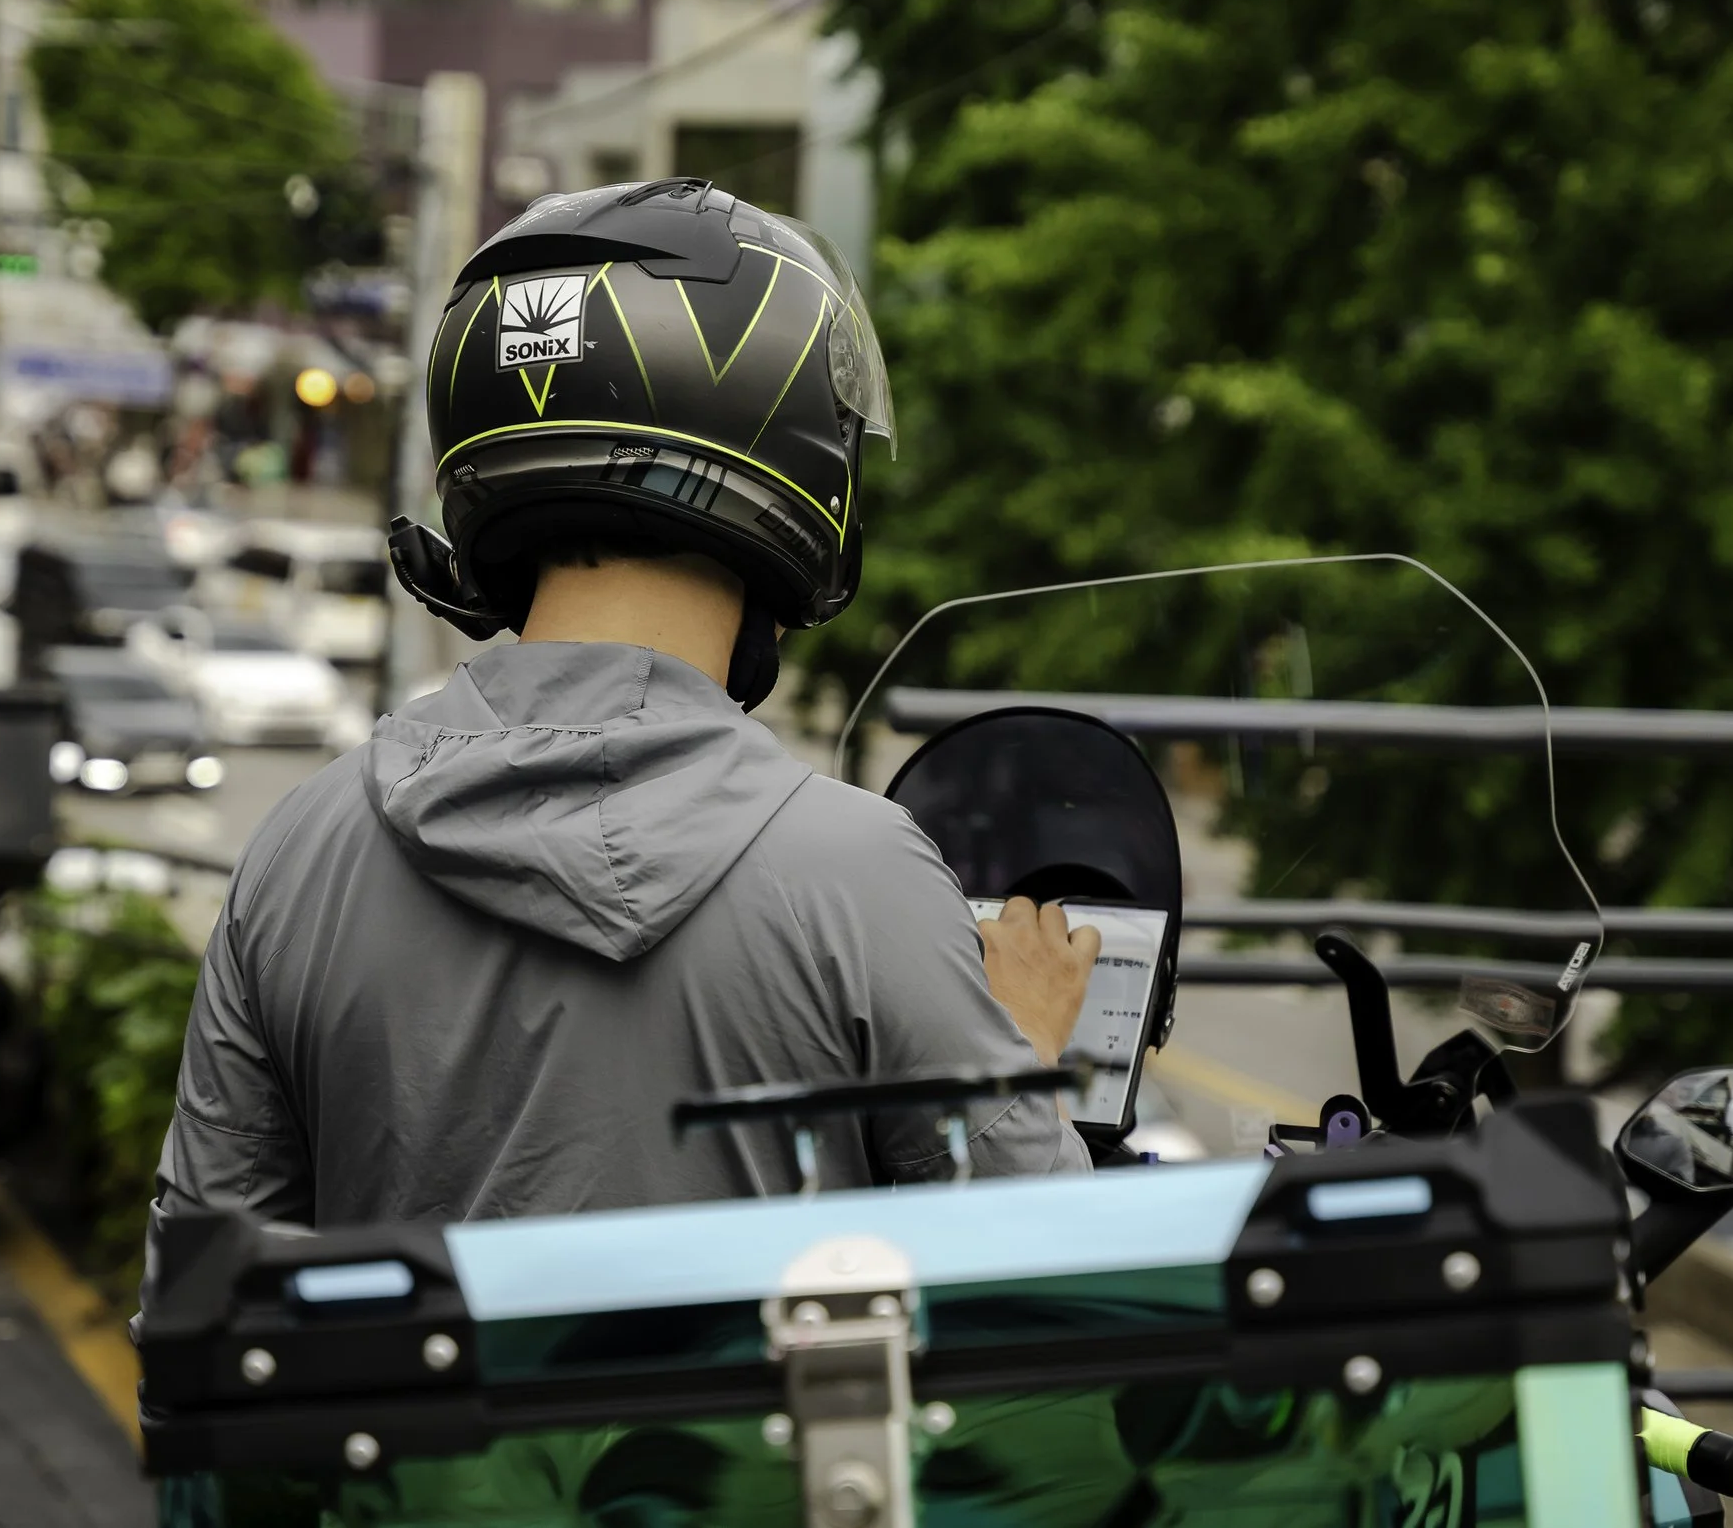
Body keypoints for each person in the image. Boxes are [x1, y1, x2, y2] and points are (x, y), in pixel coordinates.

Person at [144, 181, 1096, 1281]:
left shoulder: (300, 849)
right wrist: (1014, 1065)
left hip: (401, 1460)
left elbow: (199, 1307)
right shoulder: (857, 875)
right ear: (794, 467)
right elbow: (1049, 1298)